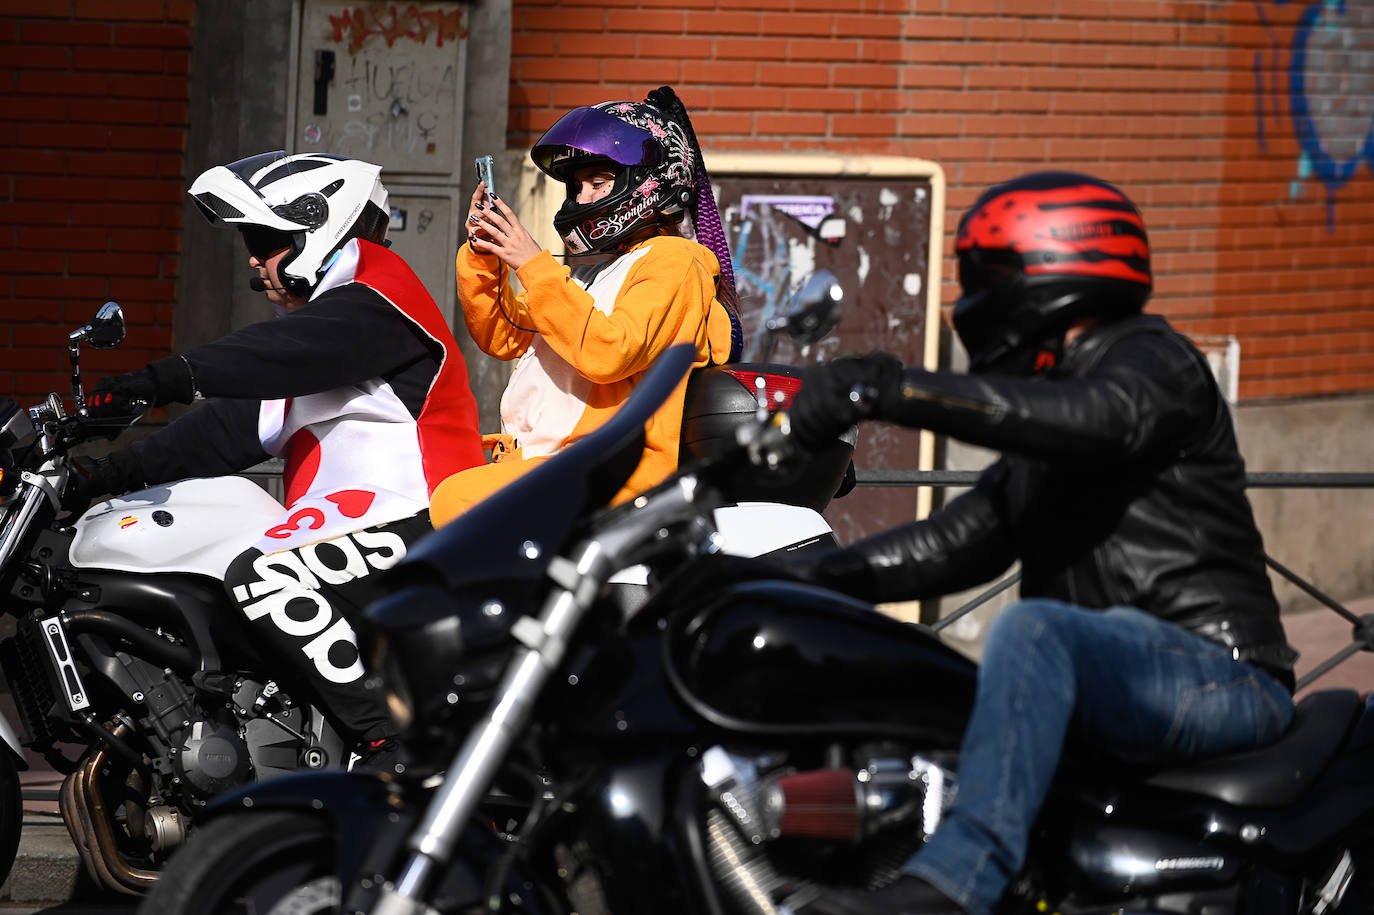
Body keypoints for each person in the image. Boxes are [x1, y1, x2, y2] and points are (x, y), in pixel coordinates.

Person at [782, 171, 1297, 915]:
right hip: (1131, 680)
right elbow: (963, 538)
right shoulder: (1053, 412)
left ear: (1051, 269)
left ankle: (955, 886)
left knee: (1032, 631)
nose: (969, 302)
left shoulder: (1154, 364)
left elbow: (1099, 417)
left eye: (984, 277)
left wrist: (890, 389)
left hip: (1223, 673)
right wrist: (807, 575)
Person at [72, 151, 485, 771]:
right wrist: (96, 476)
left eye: (265, 241)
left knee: (263, 574)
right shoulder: (325, 331)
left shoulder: (379, 294)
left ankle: (393, 745)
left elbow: (278, 354)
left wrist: (168, 376)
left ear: (318, 230)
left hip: (424, 523)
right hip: (355, 525)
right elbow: (227, 429)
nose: (254, 260)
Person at [428, 86, 743, 525]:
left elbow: (609, 351)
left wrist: (531, 263)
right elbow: (504, 335)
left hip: (613, 472)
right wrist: (485, 256)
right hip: (550, 462)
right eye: (577, 186)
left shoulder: (676, 260)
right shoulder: (596, 270)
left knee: (453, 501)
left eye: (599, 183)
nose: (584, 197)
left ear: (649, 184)